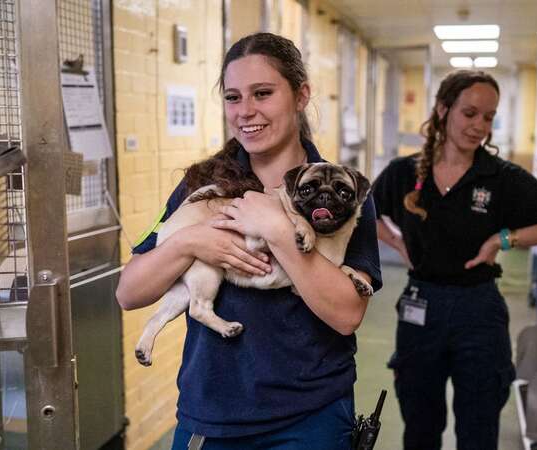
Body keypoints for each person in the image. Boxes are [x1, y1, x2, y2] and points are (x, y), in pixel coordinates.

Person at [116, 32, 382, 450]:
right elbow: (129, 292)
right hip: (214, 416)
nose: (246, 112)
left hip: (311, 416)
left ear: (300, 95)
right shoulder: (201, 185)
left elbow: (347, 314)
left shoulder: (341, 194)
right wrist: (191, 243)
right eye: (233, 97)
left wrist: (278, 231)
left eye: (263, 93)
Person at [372, 70, 537, 450]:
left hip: (479, 311)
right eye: (469, 113)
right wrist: (399, 245)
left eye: (488, 117)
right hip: (421, 307)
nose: (479, 126)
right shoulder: (403, 173)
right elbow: (362, 212)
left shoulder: (501, 178)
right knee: (420, 425)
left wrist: (504, 239)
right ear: (442, 110)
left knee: (478, 428)